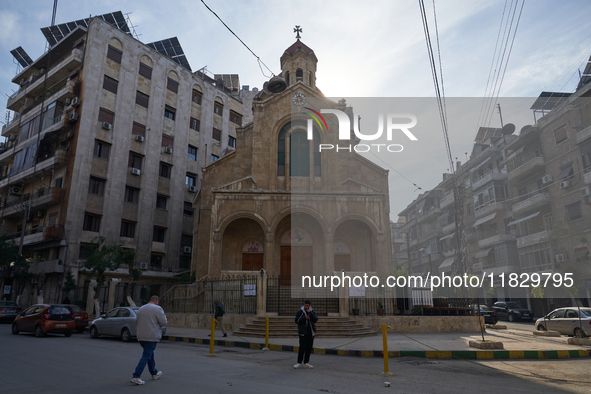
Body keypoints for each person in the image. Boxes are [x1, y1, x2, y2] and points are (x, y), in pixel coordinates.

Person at [131, 295, 167, 385]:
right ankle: (136, 376)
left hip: (141, 336)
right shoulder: (157, 308)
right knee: (146, 356)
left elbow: (137, 321)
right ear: (156, 301)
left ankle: (154, 373)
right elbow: (163, 322)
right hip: (151, 336)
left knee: (149, 355)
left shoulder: (141, 308)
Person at [294, 300, 317, 369]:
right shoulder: (300, 312)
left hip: (310, 332)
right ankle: (299, 362)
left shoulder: (312, 311)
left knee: (309, 348)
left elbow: (315, 319)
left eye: (307, 306)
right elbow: (297, 321)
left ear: (309, 306)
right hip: (303, 332)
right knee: (302, 348)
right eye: (305, 305)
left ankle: (306, 362)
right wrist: (304, 318)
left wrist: (310, 313)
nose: (306, 307)